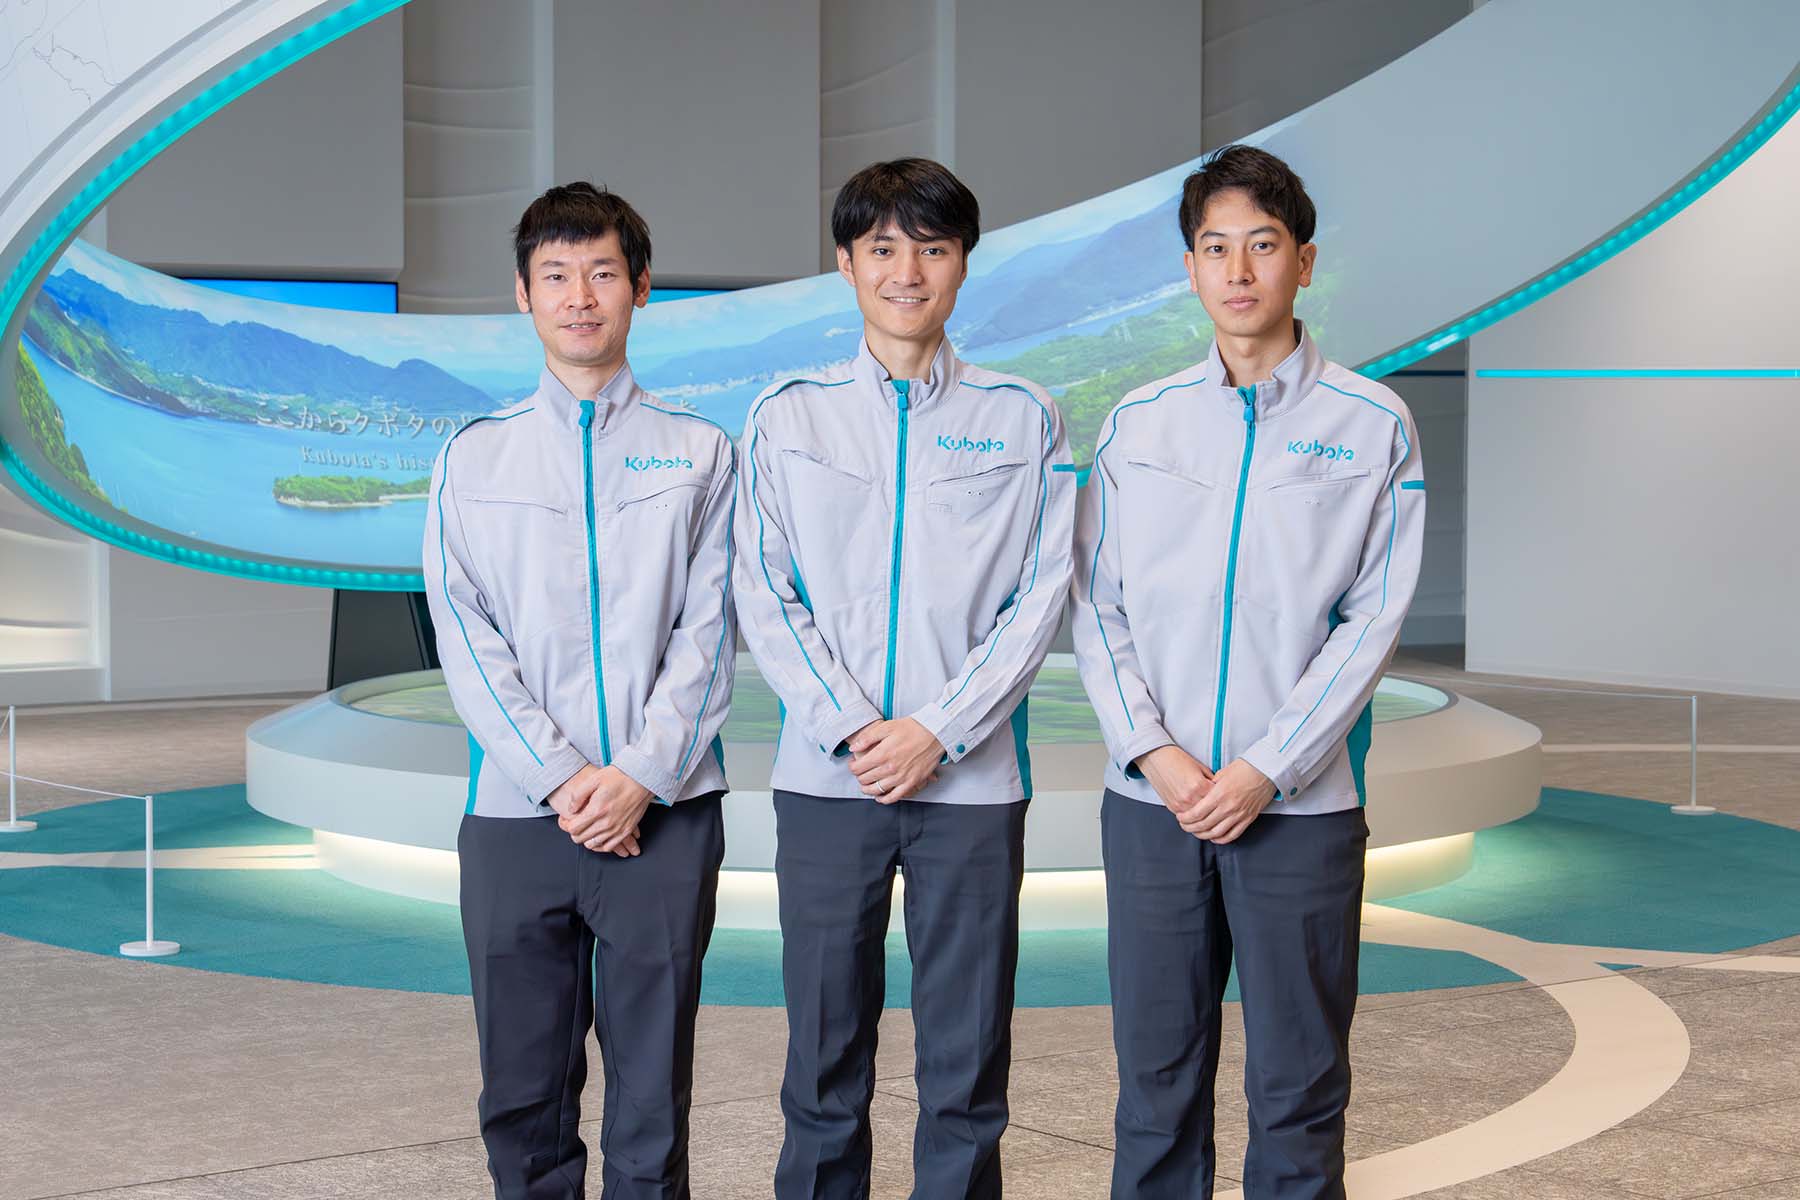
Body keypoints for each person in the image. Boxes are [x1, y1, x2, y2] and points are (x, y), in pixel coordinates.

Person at [1071, 144, 1426, 1199]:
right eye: (1215, 248)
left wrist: (1270, 766)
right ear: (1190, 271)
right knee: (1157, 1084)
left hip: (1301, 810)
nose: (1238, 270)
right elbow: (1096, 603)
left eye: (1262, 246)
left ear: (1303, 264)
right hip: (1154, 807)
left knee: (1301, 1086)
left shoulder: (1373, 427)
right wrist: (1159, 756)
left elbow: (1373, 620)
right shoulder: (1139, 424)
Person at [734, 157, 1075, 1199]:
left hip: (971, 788)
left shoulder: (1027, 417)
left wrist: (940, 728)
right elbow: (764, 587)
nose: (908, 271)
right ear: (847, 264)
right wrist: (848, 726)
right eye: (883, 248)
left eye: (932, 247)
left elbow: (1044, 589)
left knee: (968, 1065)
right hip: (826, 782)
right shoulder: (786, 417)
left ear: (963, 263)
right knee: (823, 1059)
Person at [423, 181, 737, 1200]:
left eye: (602, 271)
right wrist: (563, 778)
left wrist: (640, 774)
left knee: (651, 1092)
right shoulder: (472, 458)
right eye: (555, 275)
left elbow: (713, 628)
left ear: (639, 288)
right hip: (516, 815)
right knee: (521, 1090)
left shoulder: (700, 453)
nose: (580, 295)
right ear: (523, 295)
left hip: (667, 813)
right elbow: (464, 635)